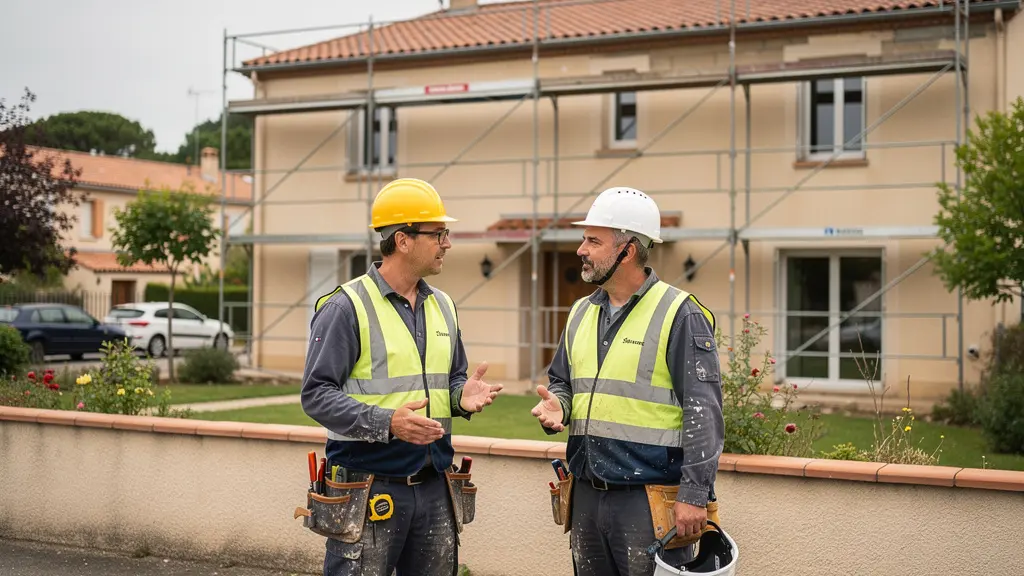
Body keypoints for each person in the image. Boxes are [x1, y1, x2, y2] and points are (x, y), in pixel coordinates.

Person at [301, 177, 503, 576]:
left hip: (435, 487)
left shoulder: (443, 305)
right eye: (438, 234)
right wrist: (388, 422)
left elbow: (452, 378)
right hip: (368, 487)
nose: (447, 243)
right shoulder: (346, 307)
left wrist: (460, 396)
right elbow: (316, 394)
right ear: (403, 240)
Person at [531, 186, 725, 576]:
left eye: (593, 241)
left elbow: (703, 412)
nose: (581, 250)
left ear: (628, 250)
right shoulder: (580, 312)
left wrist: (694, 494)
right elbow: (562, 381)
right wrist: (559, 405)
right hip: (586, 494)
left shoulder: (680, 314)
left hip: (647, 500)